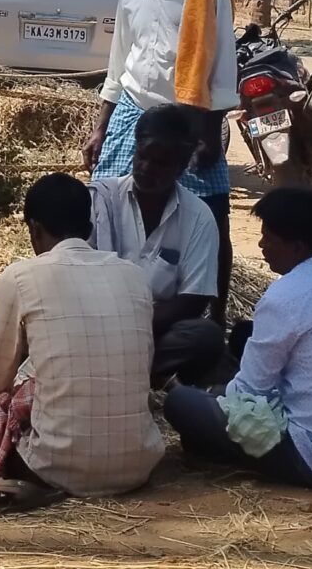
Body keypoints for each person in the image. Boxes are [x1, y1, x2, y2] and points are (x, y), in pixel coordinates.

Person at [0, 174, 165, 511]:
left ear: (34, 229)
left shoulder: (21, 276)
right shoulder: (134, 275)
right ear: (90, 225)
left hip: (52, 466)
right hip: (138, 464)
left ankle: (8, 468)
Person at [164, 188, 312, 489]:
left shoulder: (286, 295)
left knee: (181, 402)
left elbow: (248, 394)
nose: (261, 245)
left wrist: (215, 394)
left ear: (297, 246)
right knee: (246, 338)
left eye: (269, 237)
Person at [87, 0, 238, 319]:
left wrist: (209, 131)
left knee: (211, 211)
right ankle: (103, 303)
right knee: (103, 204)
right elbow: (119, 64)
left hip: (190, 118)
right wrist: (101, 127)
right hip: (133, 110)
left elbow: (223, 64)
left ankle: (215, 317)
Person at [86, 104, 227, 388]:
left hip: (151, 331)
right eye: (142, 157)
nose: (146, 168)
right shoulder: (99, 199)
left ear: (182, 165)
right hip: (92, 324)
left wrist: (130, 325)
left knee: (204, 337)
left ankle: (124, 369)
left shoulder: (198, 216)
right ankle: (136, 371)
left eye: (161, 163)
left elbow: (194, 299)